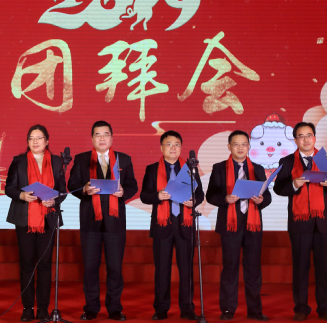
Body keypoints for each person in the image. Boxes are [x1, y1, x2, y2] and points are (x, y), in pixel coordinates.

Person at [67, 120, 138, 321]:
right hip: (90, 222)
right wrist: (84, 189)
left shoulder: (124, 159)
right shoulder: (81, 159)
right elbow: (72, 184)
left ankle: (114, 308)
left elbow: (132, 185)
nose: (102, 138)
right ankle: (91, 307)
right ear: (92, 138)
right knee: (90, 267)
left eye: (106, 134)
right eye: (98, 134)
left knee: (114, 267)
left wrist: (124, 192)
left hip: (115, 222)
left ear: (111, 137)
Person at [273, 122, 327, 322]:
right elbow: (279, 188)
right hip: (299, 222)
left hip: (323, 222)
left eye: (309, 135)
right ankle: (301, 308)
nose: (306, 139)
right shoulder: (287, 161)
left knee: (324, 267)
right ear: (295, 140)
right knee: (300, 267)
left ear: (314, 137)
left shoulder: (325, 159)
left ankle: (325, 308)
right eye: (301, 136)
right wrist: (294, 184)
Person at [206, 130, 271, 321]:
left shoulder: (258, 169)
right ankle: (228, 310)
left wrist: (261, 200)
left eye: (244, 144)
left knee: (253, 269)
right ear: (229, 147)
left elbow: (267, 196)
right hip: (230, 225)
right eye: (236, 144)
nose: (240, 147)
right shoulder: (219, 168)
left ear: (249, 146)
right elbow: (211, 195)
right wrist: (225, 199)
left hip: (252, 226)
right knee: (230, 268)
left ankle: (255, 311)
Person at [5, 124, 67, 322]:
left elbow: (62, 190)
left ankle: (42, 308)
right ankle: (27, 308)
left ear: (47, 141)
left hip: (48, 218)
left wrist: (54, 200)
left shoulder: (56, 162)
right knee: (26, 264)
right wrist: (21, 195)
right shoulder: (19, 161)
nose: (35, 141)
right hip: (24, 219)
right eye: (31, 138)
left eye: (39, 138)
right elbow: (9, 188)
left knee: (45, 265)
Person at [140, 130, 204, 321]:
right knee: (162, 270)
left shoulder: (190, 168)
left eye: (177, 144)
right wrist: (157, 195)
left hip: (185, 224)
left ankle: (187, 308)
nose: (173, 148)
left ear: (181, 147)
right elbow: (144, 196)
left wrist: (194, 201)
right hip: (162, 225)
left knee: (186, 270)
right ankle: (161, 308)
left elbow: (200, 194)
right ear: (161, 147)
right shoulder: (152, 169)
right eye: (169, 144)